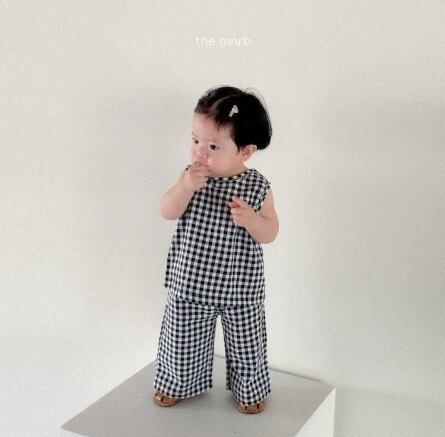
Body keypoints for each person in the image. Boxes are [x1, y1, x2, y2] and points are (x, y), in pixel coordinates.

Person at [152, 86, 279, 414]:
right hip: (191, 282)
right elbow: (167, 211)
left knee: (247, 344)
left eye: (212, 146)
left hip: (240, 287)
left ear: (245, 152)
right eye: (195, 140)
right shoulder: (191, 178)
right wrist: (184, 188)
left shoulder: (257, 187)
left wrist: (252, 220)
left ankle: (249, 389)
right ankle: (176, 381)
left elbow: (270, 232)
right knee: (181, 340)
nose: (199, 152)